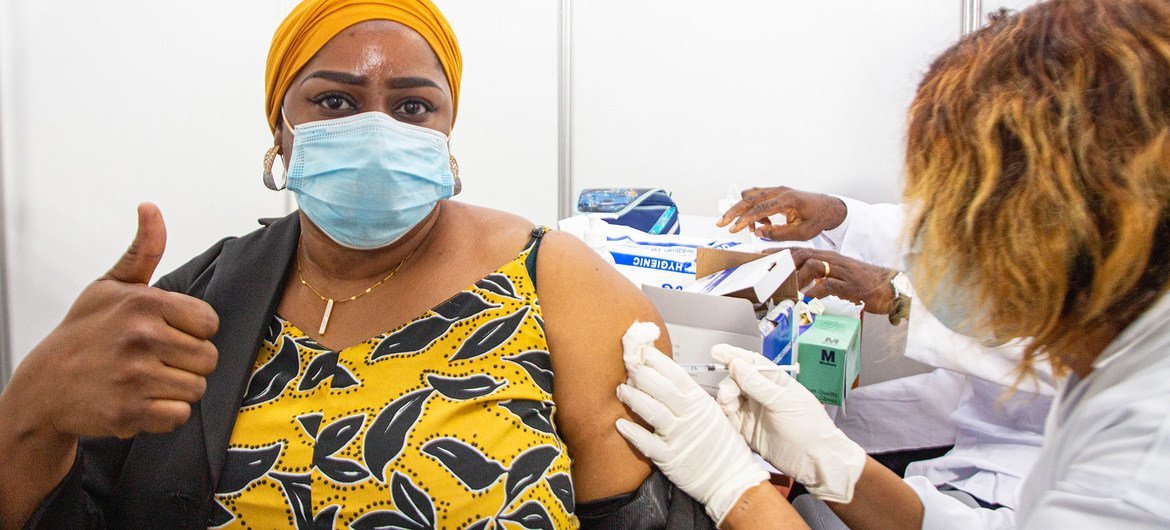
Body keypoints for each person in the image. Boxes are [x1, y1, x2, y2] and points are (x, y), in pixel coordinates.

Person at [0, 1, 766, 528]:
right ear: (281, 131)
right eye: (334, 102)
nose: (375, 129)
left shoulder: (557, 287)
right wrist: (32, 411)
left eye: (411, 107)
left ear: (448, 133)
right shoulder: (199, 303)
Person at [617, 0, 1170, 528]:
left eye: (965, 219)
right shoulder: (1124, 341)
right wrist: (834, 465)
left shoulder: (1138, 467)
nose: (942, 246)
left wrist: (731, 485)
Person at [719, 185, 1054, 521]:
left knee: (805, 503)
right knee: (799, 459)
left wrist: (902, 296)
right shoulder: (1044, 197)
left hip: (1017, 485)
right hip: (975, 415)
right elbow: (951, 235)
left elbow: (1049, 353)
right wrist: (838, 216)